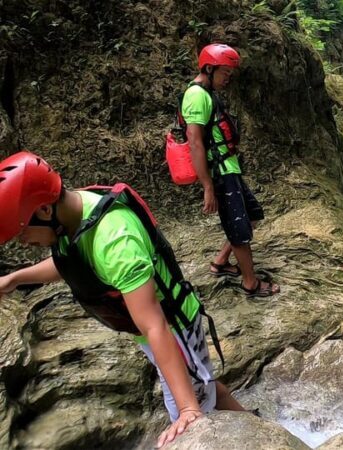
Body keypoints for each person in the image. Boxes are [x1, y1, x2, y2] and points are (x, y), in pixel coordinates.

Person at [0, 151, 246, 448]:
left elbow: (154, 325)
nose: (23, 242)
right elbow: (71, 262)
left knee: (190, 419)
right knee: (203, 386)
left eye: (21, 232)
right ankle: (252, 422)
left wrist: (187, 409)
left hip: (173, 328)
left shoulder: (116, 240)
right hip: (155, 330)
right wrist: (15, 279)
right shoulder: (74, 213)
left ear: (43, 210)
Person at [182, 43, 278, 298]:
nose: (228, 78)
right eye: (225, 73)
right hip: (221, 174)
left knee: (253, 213)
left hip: (229, 169)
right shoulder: (196, 96)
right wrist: (208, 186)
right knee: (238, 231)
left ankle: (221, 262)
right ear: (209, 68)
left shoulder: (207, 93)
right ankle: (250, 283)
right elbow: (195, 142)